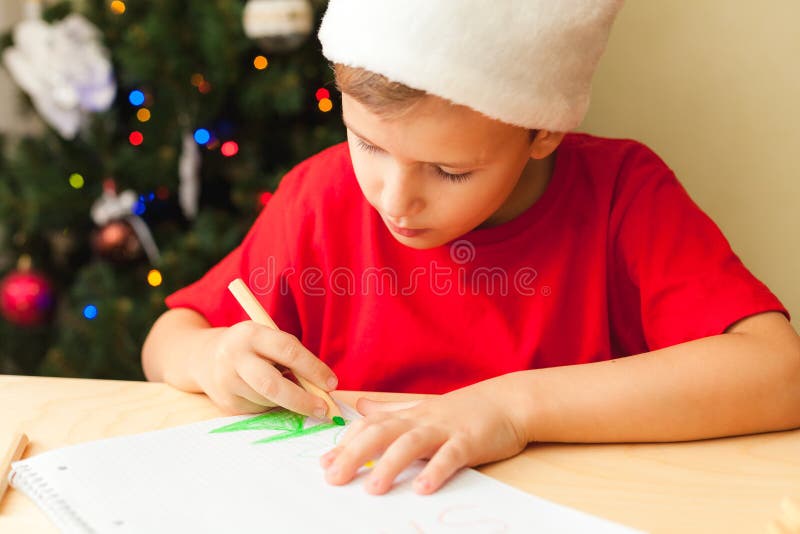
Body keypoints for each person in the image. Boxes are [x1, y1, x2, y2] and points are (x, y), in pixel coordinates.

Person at [142, 0, 800, 496]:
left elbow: (778, 374)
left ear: (542, 131)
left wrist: (512, 408)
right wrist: (212, 356)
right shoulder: (321, 196)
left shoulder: (621, 197)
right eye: (366, 142)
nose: (395, 199)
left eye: (449, 171)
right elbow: (169, 337)